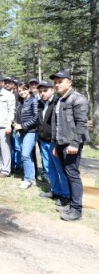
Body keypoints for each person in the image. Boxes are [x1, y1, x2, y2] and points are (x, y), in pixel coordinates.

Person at [50, 71, 89, 221]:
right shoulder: (59, 100)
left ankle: (77, 210)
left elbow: (82, 124)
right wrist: (56, 144)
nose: (57, 84)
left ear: (69, 82)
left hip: (72, 144)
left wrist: (74, 143)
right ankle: (71, 203)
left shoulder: (78, 99)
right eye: (55, 82)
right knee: (67, 174)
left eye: (60, 81)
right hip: (61, 143)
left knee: (73, 175)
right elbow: (57, 125)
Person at [36, 81, 70, 205]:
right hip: (43, 141)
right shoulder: (40, 104)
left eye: (45, 90)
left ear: (52, 90)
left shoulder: (57, 102)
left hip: (54, 142)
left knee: (60, 169)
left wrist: (57, 142)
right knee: (50, 168)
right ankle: (55, 191)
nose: (42, 93)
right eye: (40, 91)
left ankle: (65, 195)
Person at [14, 83, 39, 189]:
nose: (22, 92)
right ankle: (32, 178)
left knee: (25, 155)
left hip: (31, 131)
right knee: (27, 155)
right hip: (21, 131)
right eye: (19, 91)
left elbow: (36, 118)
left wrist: (22, 125)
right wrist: (14, 124)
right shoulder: (20, 102)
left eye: (24, 90)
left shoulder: (33, 101)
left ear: (29, 90)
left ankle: (27, 179)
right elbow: (17, 116)